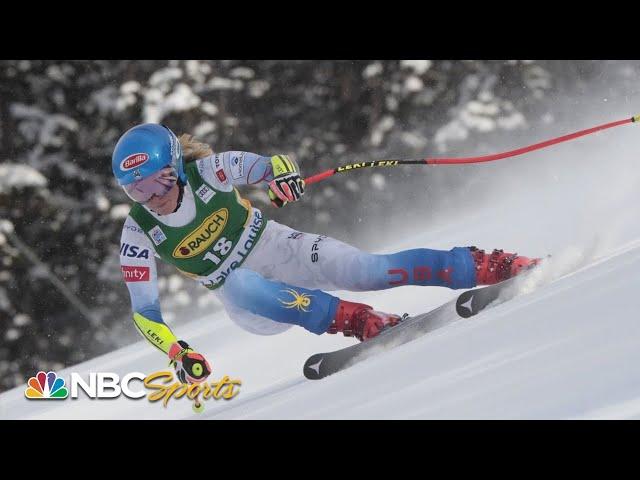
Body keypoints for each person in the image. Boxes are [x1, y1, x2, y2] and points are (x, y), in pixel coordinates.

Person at [114, 123, 540, 384]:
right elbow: (145, 312)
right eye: (138, 190)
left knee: (368, 269)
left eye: (161, 181)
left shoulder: (209, 171)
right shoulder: (138, 231)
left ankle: (490, 264)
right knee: (238, 281)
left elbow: (268, 164)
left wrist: (281, 177)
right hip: (253, 304)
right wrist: (177, 352)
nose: (154, 197)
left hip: (278, 246)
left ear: (177, 167)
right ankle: (362, 322)